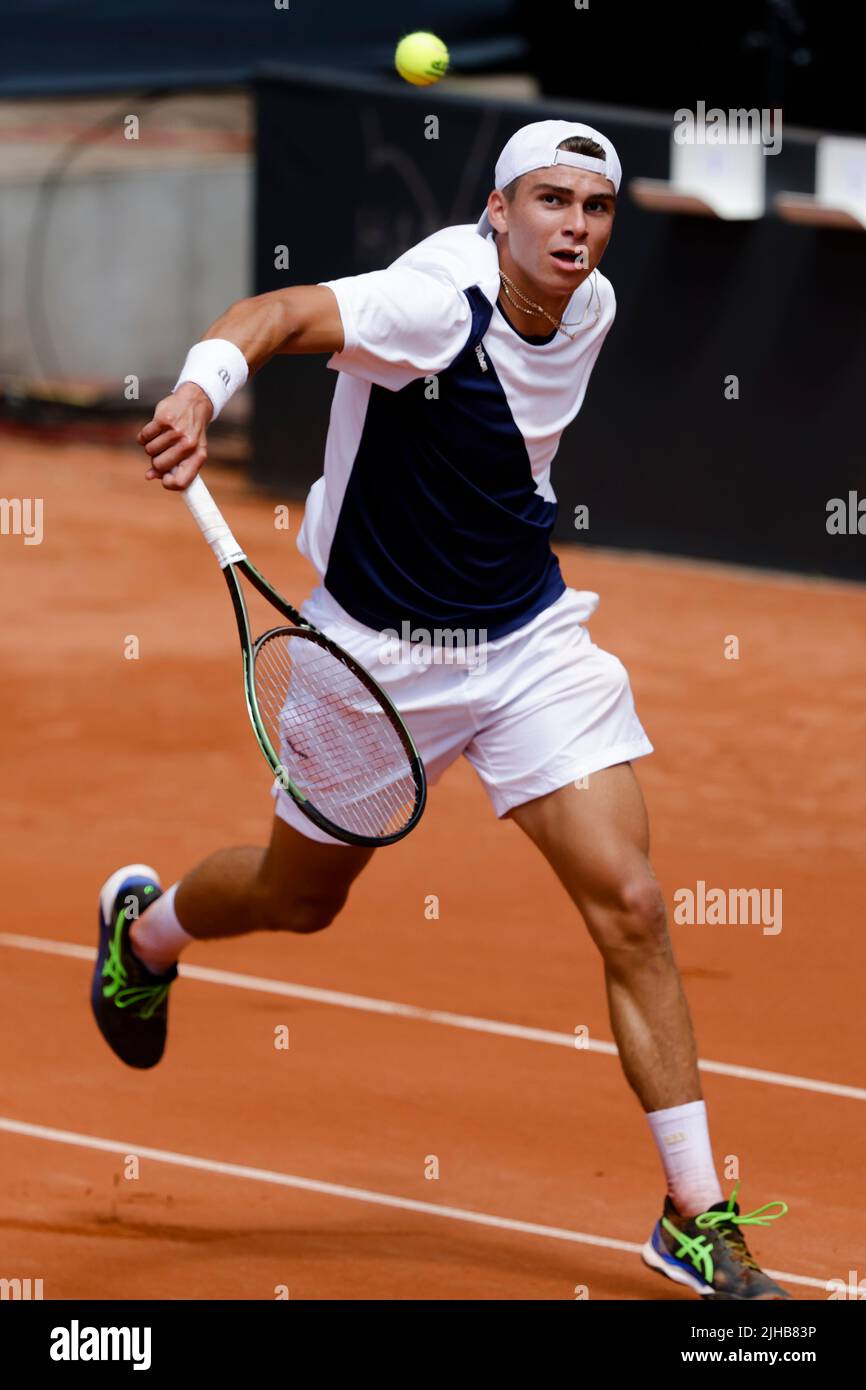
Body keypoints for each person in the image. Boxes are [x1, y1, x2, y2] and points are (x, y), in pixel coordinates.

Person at [92, 120, 790, 1300]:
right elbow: (278, 314)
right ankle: (145, 934)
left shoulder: (592, 305)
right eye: (549, 202)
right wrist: (200, 391)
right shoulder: (430, 301)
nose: (575, 227)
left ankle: (692, 1210)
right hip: (372, 663)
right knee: (293, 898)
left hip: (521, 643)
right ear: (496, 214)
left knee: (630, 900)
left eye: (595, 207)